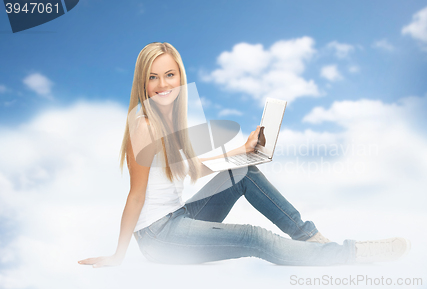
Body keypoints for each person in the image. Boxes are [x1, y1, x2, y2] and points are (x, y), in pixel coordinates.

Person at [78, 42, 410, 268]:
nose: (163, 84)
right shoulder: (145, 124)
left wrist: (243, 151)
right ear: (143, 81)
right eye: (153, 77)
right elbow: (135, 196)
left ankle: (310, 238)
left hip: (180, 218)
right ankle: (349, 254)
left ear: (180, 77)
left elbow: (194, 168)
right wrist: (118, 255)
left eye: (170, 74)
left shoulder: (169, 120)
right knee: (254, 238)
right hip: (159, 238)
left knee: (244, 172)